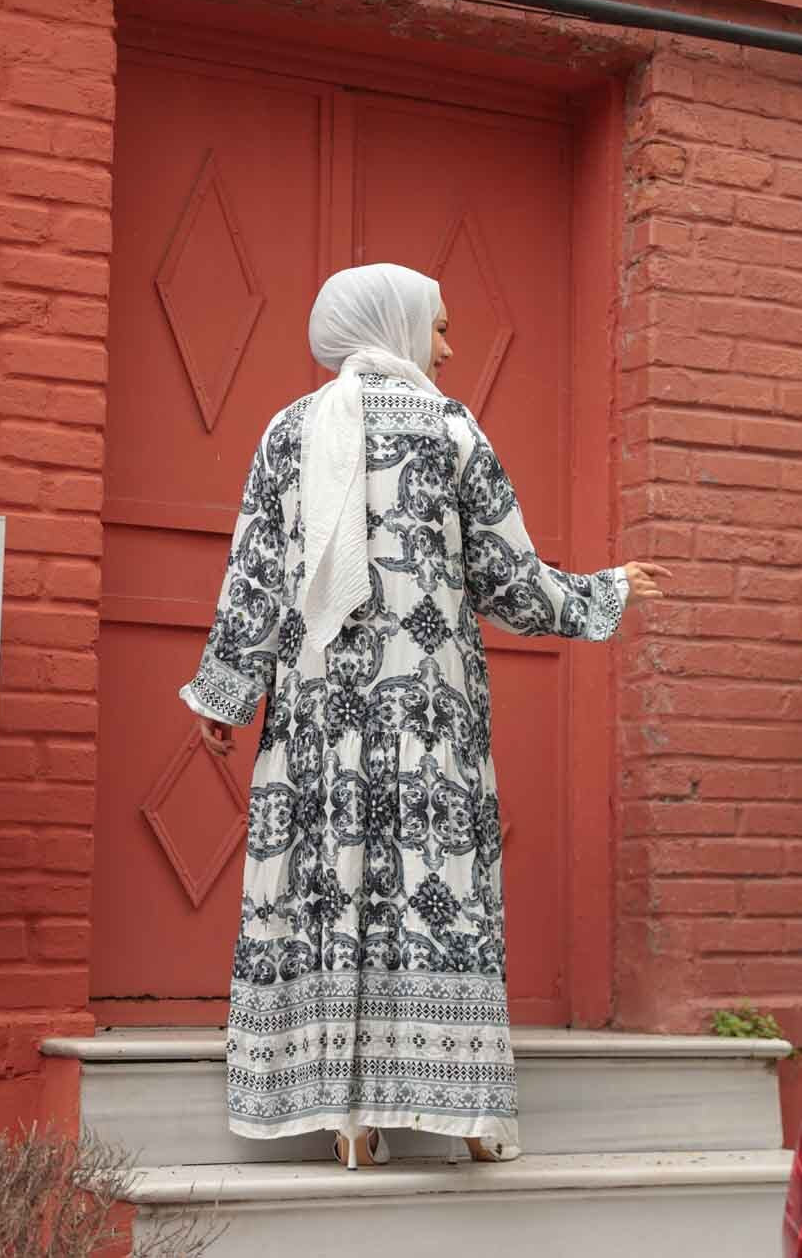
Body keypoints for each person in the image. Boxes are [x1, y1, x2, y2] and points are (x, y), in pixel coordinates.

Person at [179, 263, 669, 1170]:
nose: (447, 346)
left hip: (319, 722)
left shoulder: (289, 431)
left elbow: (255, 579)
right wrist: (607, 590)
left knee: (327, 885)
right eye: (439, 326)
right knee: (435, 891)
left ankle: (347, 1120)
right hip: (428, 717)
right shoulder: (450, 430)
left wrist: (225, 693)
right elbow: (510, 584)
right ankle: (467, 1113)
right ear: (396, 324)